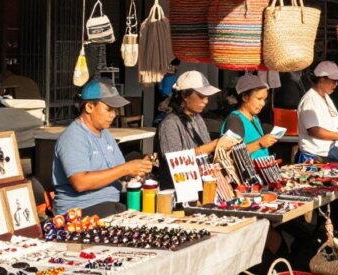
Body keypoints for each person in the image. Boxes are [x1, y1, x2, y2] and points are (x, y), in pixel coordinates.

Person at [53, 80, 153, 217]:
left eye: (115, 110)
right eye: (108, 109)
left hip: (110, 203)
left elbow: (119, 171)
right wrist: (126, 168)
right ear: (89, 107)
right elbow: (80, 182)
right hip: (81, 209)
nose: (113, 115)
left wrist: (138, 167)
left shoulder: (105, 134)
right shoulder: (73, 136)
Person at [157, 71, 225, 189]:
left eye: (207, 97)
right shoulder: (169, 124)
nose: (206, 101)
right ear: (185, 95)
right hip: (178, 191)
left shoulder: (197, 119)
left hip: (200, 187)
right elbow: (174, 161)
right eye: (201, 96)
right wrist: (211, 146)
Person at [298, 61, 338, 160]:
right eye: (333, 81)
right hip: (316, 155)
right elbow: (314, 131)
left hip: (330, 152)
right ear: (322, 79)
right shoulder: (310, 99)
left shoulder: (326, 97)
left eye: (337, 81)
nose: (336, 84)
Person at [221, 75, 279, 159]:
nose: (262, 104)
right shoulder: (235, 120)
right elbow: (231, 154)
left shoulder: (255, 119)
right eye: (259, 99)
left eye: (264, 99)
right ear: (245, 97)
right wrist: (259, 143)